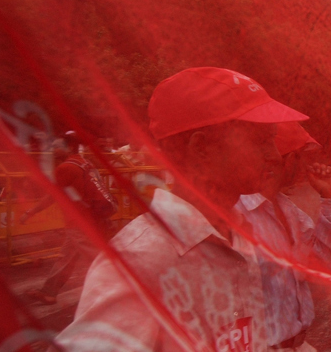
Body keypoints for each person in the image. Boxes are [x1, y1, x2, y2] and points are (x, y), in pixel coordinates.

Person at [53, 67, 309, 351]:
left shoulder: (235, 236)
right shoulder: (140, 262)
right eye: (260, 141)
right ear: (200, 148)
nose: (274, 157)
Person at [236, 122, 331, 351]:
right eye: (298, 156)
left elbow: (321, 265)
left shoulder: (287, 210)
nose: (303, 165)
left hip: (297, 343)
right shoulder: (238, 214)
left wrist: (330, 198)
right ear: (280, 159)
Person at [21, 132, 106, 305]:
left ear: (69, 147)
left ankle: (128, 285)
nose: (53, 150)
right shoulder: (87, 164)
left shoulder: (65, 168)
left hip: (78, 222)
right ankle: (49, 292)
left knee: (99, 259)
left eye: (57, 147)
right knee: (66, 258)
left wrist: (31, 212)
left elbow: (53, 195)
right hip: (89, 219)